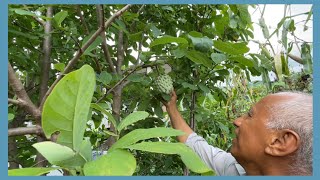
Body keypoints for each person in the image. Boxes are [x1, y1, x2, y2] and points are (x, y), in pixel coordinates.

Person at [163, 90, 313, 176]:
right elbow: (195, 145)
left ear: (279, 142)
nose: (237, 121)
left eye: (250, 115)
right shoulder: (236, 170)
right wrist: (171, 108)